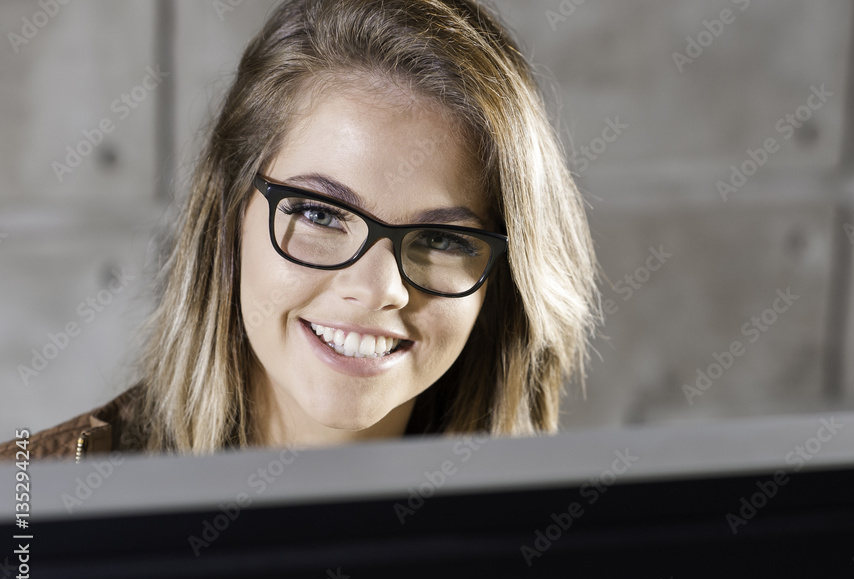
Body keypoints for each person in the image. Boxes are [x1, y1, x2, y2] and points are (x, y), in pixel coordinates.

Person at [0, 0, 601, 463]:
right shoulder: (27, 509)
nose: (378, 290)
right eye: (320, 214)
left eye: (443, 240)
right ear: (228, 214)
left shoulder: (555, 549)